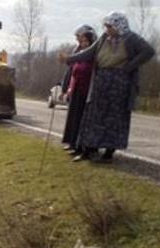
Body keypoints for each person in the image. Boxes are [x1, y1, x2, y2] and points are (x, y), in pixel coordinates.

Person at [61, 11, 154, 163]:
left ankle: (108, 153)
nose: (107, 29)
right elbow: (88, 53)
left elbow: (149, 51)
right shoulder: (104, 38)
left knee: (114, 118)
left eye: (109, 26)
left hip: (120, 83)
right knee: (93, 116)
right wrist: (69, 59)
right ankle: (88, 150)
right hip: (101, 81)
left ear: (118, 25)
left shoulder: (131, 38)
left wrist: (130, 66)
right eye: (106, 26)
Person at [61, 25, 97, 156]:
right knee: (73, 118)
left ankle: (81, 147)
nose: (82, 44)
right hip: (76, 90)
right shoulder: (78, 53)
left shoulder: (92, 56)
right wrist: (66, 88)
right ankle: (72, 143)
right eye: (80, 41)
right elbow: (71, 72)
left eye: (85, 41)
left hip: (86, 91)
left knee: (82, 120)